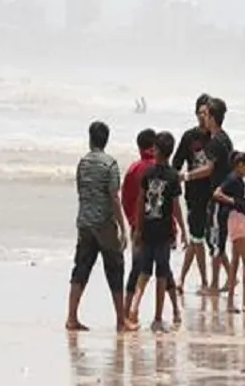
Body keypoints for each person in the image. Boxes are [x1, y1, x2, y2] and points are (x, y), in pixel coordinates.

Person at [68, 121, 129, 332]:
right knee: (115, 268)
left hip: (84, 221)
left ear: (90, 138)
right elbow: (114, 197)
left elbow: (80, 191)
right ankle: (121, 321)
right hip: (103, 223)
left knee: (81, 267)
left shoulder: (82, 163)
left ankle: (71, 317)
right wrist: (123, 226)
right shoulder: (110, 164)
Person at [128, 131, 186, 332]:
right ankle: (158, 317)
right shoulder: (173, 177)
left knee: (144, 272)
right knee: (162, 274)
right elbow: (176, 207)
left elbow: (139, 202)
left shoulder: (147, 173)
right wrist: (183, 229)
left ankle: (134, 308)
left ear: (156, 150)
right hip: (163, 231)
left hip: (147, 229)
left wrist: (137, 228)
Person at [179, 97, 234, 296]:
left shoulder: (215, 142)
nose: (204, 118)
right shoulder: (225, 138)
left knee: (214, 241)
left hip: (217, 197)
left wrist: (186, 176)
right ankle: (226, 278)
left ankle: (213, 285)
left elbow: (209, 169)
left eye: (207, 114)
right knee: (212, 240)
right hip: (220, 195)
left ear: (211, 117)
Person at [172, 94, 212, 293]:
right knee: (197, 238)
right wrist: (175, 189)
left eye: (207, 113)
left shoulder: (216, 137)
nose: (204, 116)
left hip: (213, 195)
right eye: (201, 112)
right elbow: (176, 164)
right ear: (196, 113)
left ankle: (186, 280)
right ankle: (201, 281)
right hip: (194, 195)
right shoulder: (189, 137)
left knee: (201, 239)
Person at [213, 151, 245, 312]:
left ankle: (230, 302)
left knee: (235, 262)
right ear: (240, 165)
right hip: (236, 220)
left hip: (234, 220)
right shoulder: (234, 180)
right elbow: (217, 193)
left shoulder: (234, 179)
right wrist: (234, 201)